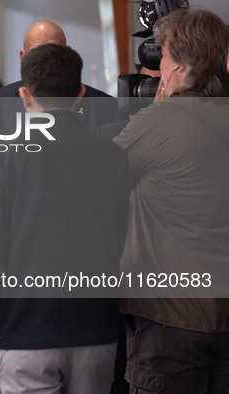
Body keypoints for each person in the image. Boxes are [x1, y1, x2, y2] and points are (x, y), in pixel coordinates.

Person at [0, 44, 129, 394]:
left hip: (26, 334)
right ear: (81, 93)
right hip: (97, 331)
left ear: (24, 95)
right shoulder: (113, 156)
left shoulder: (6, 154)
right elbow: (121, 241)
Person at [112, 9, 229, 393]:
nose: (158, 65)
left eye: (162, 56)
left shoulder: (162, 122)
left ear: (179, 66)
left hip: (170, 319)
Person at [0, 20, 118, 134]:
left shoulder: (106, 106)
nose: (46, 59)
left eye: (54, 50)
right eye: (37, 53)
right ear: (23, 58)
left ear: (67, 54)